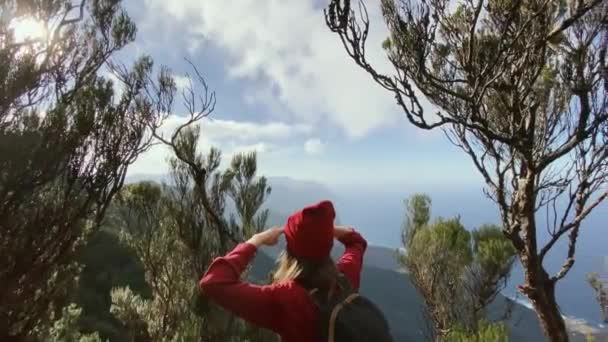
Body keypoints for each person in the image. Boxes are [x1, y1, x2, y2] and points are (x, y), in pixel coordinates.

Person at [199, 200, 368, 342]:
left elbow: (213, 282)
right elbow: (357, 242)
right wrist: (321, 232)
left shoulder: (286, 299)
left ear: (290, 251)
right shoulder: (346, 277)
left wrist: (255, 240)